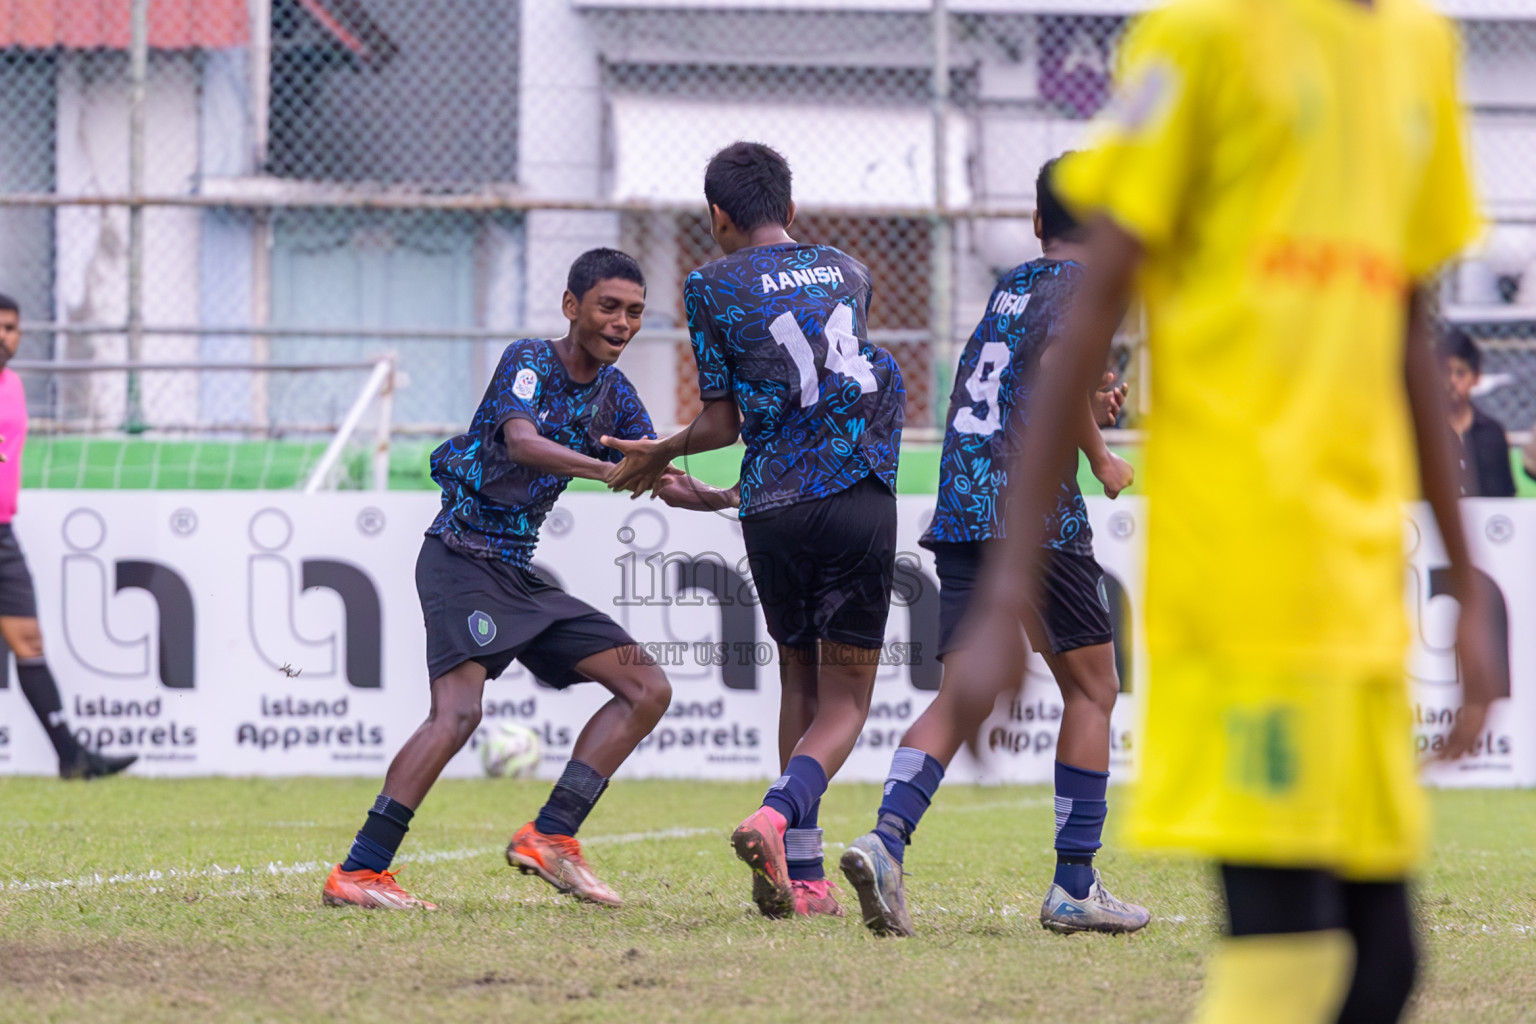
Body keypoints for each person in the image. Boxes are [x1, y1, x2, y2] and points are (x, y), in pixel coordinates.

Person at [945, 0, 1503, 1020]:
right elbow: (1078, 335)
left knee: (1382, 968)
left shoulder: (1422, 50)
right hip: (1242, 579)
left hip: (1360, 585)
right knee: (1287, 960)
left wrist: (1470, 590)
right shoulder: (1199, 39)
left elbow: (1408, 329)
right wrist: (1002, 596)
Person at [838, 156, 1148, 938]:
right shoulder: (1093, 285)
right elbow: (1052, 372)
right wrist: (1102, 457)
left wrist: (1088, 396)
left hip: (965, 492)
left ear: (1038, 224)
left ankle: (886, 838)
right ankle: (1074, 883)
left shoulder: (1015, 284)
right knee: (1092, 689)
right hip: (1032, 502)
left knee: (962, 693)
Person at [605, 141, 905, 919]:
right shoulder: (851, 269)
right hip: (855, 495)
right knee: (846, 702)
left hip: (772, 509)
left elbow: (722, 420)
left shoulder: (707, 284)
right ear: (792, 210)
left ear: (718, 217)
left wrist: (664, 448)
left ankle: (803, 877)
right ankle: (776, 817)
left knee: (798, 680)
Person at [322, 250, 673, 911]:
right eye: (608, 307)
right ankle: (360, 872)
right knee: (457, 714)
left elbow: (655, 471)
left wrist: (727, 494)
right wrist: (608, 473)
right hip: (461, 558)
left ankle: (551, 836)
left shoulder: (617, 395)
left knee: (645, 685)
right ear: (572, 307)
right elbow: (521, 442)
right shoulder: (529, 361)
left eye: (634, 312)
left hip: (517, 573)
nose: (621, 322)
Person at [0, 293, 136, 781]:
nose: (3, 336)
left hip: (2, 532)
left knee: (28, 639)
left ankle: (71, 756)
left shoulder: (12, 385)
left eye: (11, 327)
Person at [1440, 329, 1515, 497]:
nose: (1452, 380)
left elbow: (1505, 498)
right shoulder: (1424, 429)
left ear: (1476, 377)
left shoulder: (1492, 433)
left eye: (1460, 373)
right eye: (1445, 371)